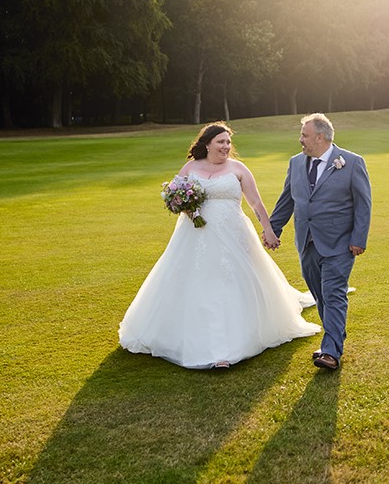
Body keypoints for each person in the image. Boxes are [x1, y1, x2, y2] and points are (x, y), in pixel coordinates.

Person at [119, 123, 320, 370]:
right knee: (197, 282)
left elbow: (255, 203)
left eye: (228, 142)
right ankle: (199, 341)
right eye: (220, 142)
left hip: (232, 235)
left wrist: (268, 230)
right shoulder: (191, 167)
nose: (226, 147)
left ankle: (226, 348)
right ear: (207, 144)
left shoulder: (238, 169)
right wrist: (182, 205)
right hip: (194, 236)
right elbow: (174, 195)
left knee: (229, 283)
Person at [267, 113, 371, 371]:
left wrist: (358, 238)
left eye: (304, 135)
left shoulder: (351, 162)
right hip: (307, 242)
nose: (300, 139)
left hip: (340, 244)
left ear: (320, 137)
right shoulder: (295, 163)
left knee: (333, 293)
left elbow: (363, 205)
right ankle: (334, 338)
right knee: (319, 295)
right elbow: (287, 200)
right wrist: (273, 229)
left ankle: (331, 351)